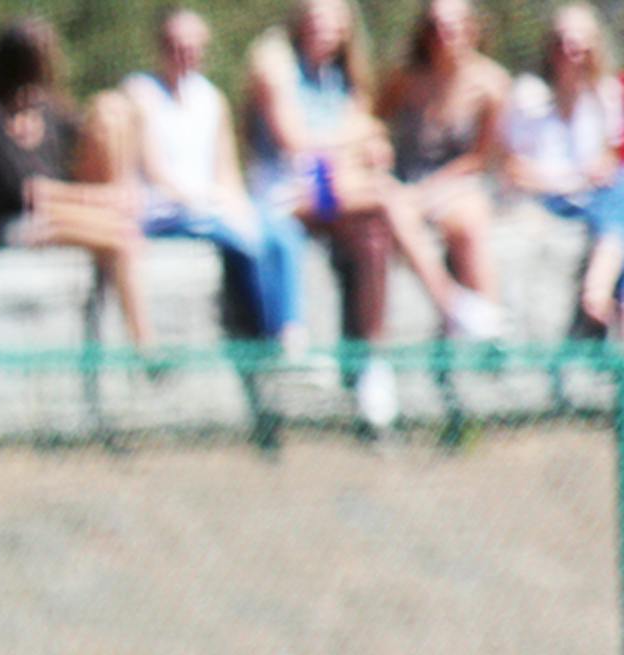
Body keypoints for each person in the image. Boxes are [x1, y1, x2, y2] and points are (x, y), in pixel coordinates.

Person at [246, 0, 501, 431]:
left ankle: (371, 366)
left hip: (329, 192)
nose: (322, 31)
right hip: (287, 195)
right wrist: (354, 137)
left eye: (331, 23)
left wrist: (368, 143)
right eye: (313, 21)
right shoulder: (278, 68)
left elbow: (368, 131)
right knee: (386, 194)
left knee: (376, 237)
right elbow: (297, 145)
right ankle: (449, 301)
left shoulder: (339, 78)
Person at [122, 8, 309, 354]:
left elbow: (226, 170)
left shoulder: (210, 99)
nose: (185, 54)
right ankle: (264, 340)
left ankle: (291, 330)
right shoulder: (141, 94)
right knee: (243, 245)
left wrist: (238, 207)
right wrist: (201, 201)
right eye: (176, 45)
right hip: (168, 210)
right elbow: (153, 170)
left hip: (211, 205)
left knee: (281, 233)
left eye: (193, 46)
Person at [0, 16, 156, 353]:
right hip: (22, 225)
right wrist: (94, 199)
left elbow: (82, 146)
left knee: (110, 110)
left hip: (60, 213)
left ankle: (140, 343)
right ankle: (145, 348)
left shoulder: (51, 113)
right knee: (121, 236)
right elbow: (26, 194)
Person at [375, 0, 511, 321]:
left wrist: (433, 189)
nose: (445, 35)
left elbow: (481, 157)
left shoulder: (491, 85)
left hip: (461, 181)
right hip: (408, 180)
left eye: (453, 26)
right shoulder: (406, 80)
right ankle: (451, 304)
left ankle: (491, 323)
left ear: (471, 29)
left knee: (468, 223)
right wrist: (377, 149)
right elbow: (375, 120)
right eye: (436, 27)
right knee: (397, 212)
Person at [500, 3, 624, 332]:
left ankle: (601, 287)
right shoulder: (529, 96)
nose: (573, 52)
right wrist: (568, 179)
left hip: (591, 202)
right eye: (564, 41)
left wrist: (598, 169)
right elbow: (513, 168)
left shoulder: (604, 96)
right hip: (546, 201)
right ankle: (599, 292)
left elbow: (609, 159)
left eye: (581, 43)